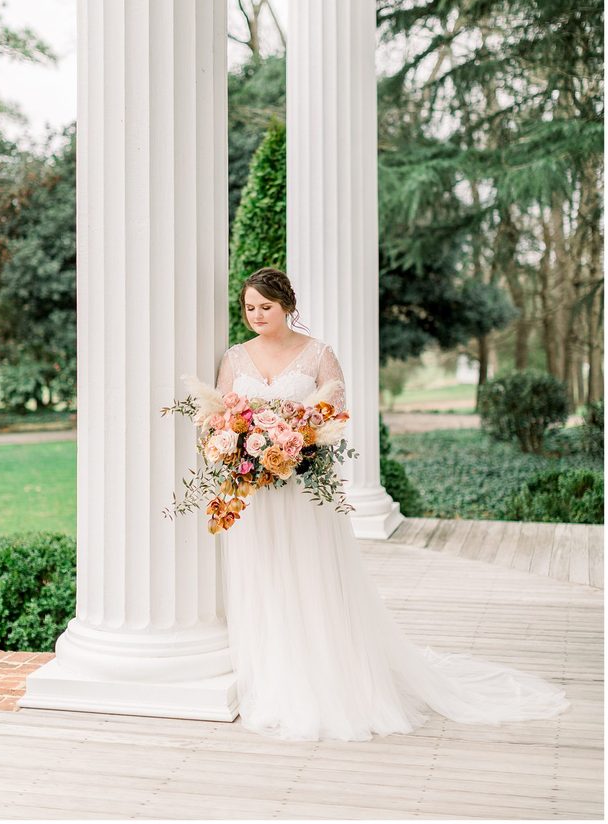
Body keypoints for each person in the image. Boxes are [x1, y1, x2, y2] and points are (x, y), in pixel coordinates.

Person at [215, 266, 571, 743]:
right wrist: (242, 443)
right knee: (266, 575)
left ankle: (324, 677)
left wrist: (300, 439)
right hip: (257, 490)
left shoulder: (318, 353)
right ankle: (272, 675)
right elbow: (220, 416)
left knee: (311, 575)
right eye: (250, 307)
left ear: (287, 307)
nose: (257, 315)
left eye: (267, 306)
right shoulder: (236, 357)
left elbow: (336, 413)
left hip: (303, 488)